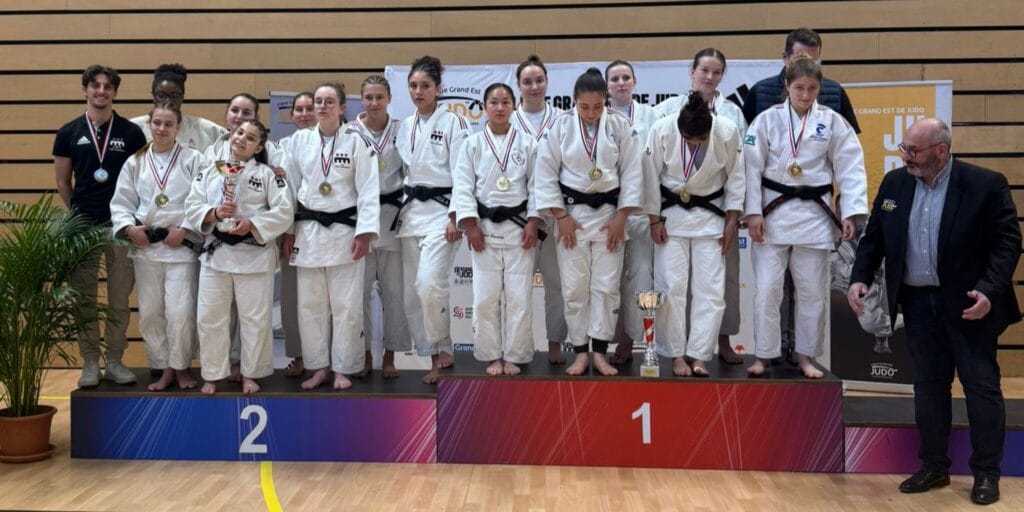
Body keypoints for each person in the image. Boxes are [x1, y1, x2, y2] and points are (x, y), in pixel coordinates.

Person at [848, 118, 1020, 506]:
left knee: (980, 387)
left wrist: (989, 290)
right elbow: (875, 236)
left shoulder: (985, 184)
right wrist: (860, 277)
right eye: (904, 148)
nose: (905, 157)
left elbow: (1007, 244)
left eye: (913, 150)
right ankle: (934, 466)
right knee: (928, 387)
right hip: (917, 303)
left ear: (941, 151)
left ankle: (986, 474)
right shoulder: (895, 184)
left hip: (969, 305)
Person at [743, 55, 867, 379]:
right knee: (768, 290)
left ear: (819, 88)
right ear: (787, 85)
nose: (805, 94)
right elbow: (750, 169)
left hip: (814, 215)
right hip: (773, 214)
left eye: (812, 88)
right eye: (799, 87)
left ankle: (806, 356)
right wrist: (752, 213)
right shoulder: (766, 120)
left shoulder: (833, 122)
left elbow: (851, 168)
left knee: (811, 292)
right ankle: (764, 355)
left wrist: (850, 211)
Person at [534, 68, 643, 376]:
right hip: (573, 218)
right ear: (574, 101)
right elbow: (545, 173)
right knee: (574, 289)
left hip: (610, 217)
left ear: (606, 101)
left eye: (597, 106)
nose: (591, 113)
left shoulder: (620, 126)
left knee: (606, 288)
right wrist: (560, 217)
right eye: (584, 107)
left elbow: (632, 172)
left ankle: (600, 353)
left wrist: (622, 216)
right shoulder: (559, 127)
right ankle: (580, 352)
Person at [52, 64, 147, 388]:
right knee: (85, 298)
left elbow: (142, 182)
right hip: (83, 229)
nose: (101, 91)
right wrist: (81, 215)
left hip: (121, 229)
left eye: (108, 86)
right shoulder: (68, 132)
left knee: (119, 299)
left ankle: (115, 360)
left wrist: (127, 219)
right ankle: (90, 362)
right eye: (95, 85)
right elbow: (63, 183)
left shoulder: (131, 133)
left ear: (115, 92)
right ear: (85, 90)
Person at [652, 48, 748, 365]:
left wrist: (732, 221)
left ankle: (700, 355)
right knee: (672, 289)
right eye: (704, 70)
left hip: (711, 219)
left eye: (716, 72)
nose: (694, 143)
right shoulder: (663, 124)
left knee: (711, 291)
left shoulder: (727, 128)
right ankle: (676, 354)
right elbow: (649, 176)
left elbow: (737, 178)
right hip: (672, 218)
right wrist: (654, 219)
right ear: (692, 71)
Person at [185, 119, 294, 395]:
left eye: (251, 138)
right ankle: (212, 373)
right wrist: (213, 213)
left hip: (253, 256)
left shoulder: (268, 175)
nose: (242, 139)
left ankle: (250, 373)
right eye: (240, 132)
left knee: (254, 320)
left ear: (258, 148)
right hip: (216, 254)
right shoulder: (210, 171)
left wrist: (252, 224)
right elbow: (192, 205)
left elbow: (284, 212)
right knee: (210, 318)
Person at [283, 83, 380, 391]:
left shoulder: (358, 141)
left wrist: (365, 233)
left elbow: (368, 190)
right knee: (310, 308)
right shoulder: (299, 141)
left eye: (329, 102)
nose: (322, 107)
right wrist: (288, 231)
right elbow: (288, 190)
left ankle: (343, 368)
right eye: (318, 102)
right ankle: (319, 367)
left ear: (342, 108)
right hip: (308, 233)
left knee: (346, 306)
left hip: (345, 233)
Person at [110, 103, 204, 391]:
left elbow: (203, 199)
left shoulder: (193, 159)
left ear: (178, 127)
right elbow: (121, 202)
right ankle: (163, 368)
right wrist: (129, 229)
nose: (162, 129)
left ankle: (181, 368)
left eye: (168, 124)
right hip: (147, 248)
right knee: (151, 312)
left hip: (180, 247)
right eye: (157, 123)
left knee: (180, 312)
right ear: (149, 125)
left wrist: (186, 228)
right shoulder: (135, 162)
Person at [452, 83, 541, 376]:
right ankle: (491, 354)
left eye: (505, 102)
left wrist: (533, 221)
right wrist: (470, 225)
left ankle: (515, 354)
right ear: (484, 107)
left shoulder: (528, 143)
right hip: (484, 231)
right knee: (484, 299)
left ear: (514, 106)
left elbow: (538, 186)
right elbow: (463, 186)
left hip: (520, 232)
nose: (500, 108)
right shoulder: (472, 144)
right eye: (493, 102)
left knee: (519, 299)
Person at [394, 56, 471, 384]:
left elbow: (464, 174)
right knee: (414, 294)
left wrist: (456, 215)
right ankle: (434, 353)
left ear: (438, 89)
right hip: (412, 214)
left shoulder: (454, 123)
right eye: (413, 85)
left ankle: (441, 352)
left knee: (429, 284)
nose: (418, 91)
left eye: (425, 85)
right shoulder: (405, 126)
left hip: (442, 213)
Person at [346, 76, 410, 379]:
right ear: (361, 100)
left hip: (393, 218)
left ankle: (390, 356)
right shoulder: (349, 132)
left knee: (394, 294)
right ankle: (364, 354)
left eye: (379, 97)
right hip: (360, 222)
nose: (374, 103)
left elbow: (411, 171)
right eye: (369, 97)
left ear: (389, 98)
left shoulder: (402, 130)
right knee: (358, 295)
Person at [604, 60, 663, 365]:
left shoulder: (654, 117)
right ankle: (609, 340)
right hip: (608, 213)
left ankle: (632, 338)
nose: (621, 83)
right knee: (609, 280)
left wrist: (656, 215)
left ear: (635, 82)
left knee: (640, 276)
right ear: (607, 85)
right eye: (614, 78)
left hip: (641, 210)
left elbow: (659, 166)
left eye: (626, 77)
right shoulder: (597, 118)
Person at [511, 55, 569, 364]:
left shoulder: (563, 119)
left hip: (556, 214)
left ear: (547, 82)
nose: (534, 87)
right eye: (527, 82)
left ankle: (555, 342)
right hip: (519, 217)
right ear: (518, 86)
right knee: (518, 288)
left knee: (557, 284)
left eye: (539, 80)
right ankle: (519, 347)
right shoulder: (507, 120)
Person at [274, 91, 316, 378]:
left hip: (325, 228)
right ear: (291, 115)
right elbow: (281, 193)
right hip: (291, 227)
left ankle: (325, 358)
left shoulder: (336, 142)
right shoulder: (282, 147)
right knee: (291, 298)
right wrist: (287, 231)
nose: (304, 114)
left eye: (309, 108)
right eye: (298, 109)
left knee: (322, 300)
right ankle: (299, 356)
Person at [130, 63, 226, 153]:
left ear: (182, 97)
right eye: (161, 96)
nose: (168, 101)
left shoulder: (206, 130)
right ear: (153, 96)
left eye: (174, 96)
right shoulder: (134, 128)